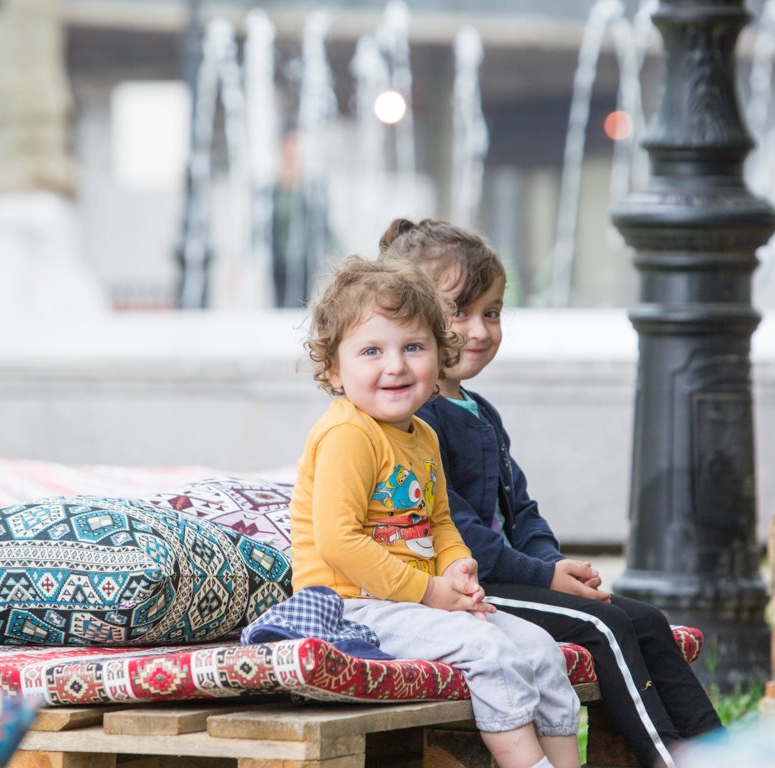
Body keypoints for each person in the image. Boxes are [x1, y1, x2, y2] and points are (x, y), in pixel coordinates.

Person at [380, 218, 723, 768]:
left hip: (514, 575)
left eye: (492, 312)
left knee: (647, 620)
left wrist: (553, 564)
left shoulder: (479, 411)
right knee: (603, 626)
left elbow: (520, 509)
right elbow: (455, 529)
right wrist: (542, 578)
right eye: (459, 311)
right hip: (469, 588)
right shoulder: (415, 420)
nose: (479, 330)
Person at [291, 255, 582, 768]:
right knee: (490, 651)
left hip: (414, 602)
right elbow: (338, 541)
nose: (396, 365)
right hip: (352, 605)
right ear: (334, 369)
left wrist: (455, 565)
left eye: (413, 347)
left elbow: (440, 521)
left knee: (540, 649)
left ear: (440, 354)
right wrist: (428, 591)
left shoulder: (423, 435)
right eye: (371, 351)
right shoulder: (348, 435)